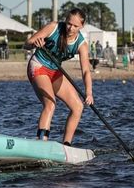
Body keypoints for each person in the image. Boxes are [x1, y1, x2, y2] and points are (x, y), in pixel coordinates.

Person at [24, 8, 93, 146]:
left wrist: (89, 92)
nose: (70, 28)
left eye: (75, 26)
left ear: (82, 26)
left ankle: (66, 145)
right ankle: (41, 142)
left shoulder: (81, 44)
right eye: (68, 23)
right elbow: (26, 44)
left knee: (78, 106)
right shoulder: (53, 27)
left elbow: (86, 71)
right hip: (38, 65)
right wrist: (34, 43)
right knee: (50, 104)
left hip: (55, 71)